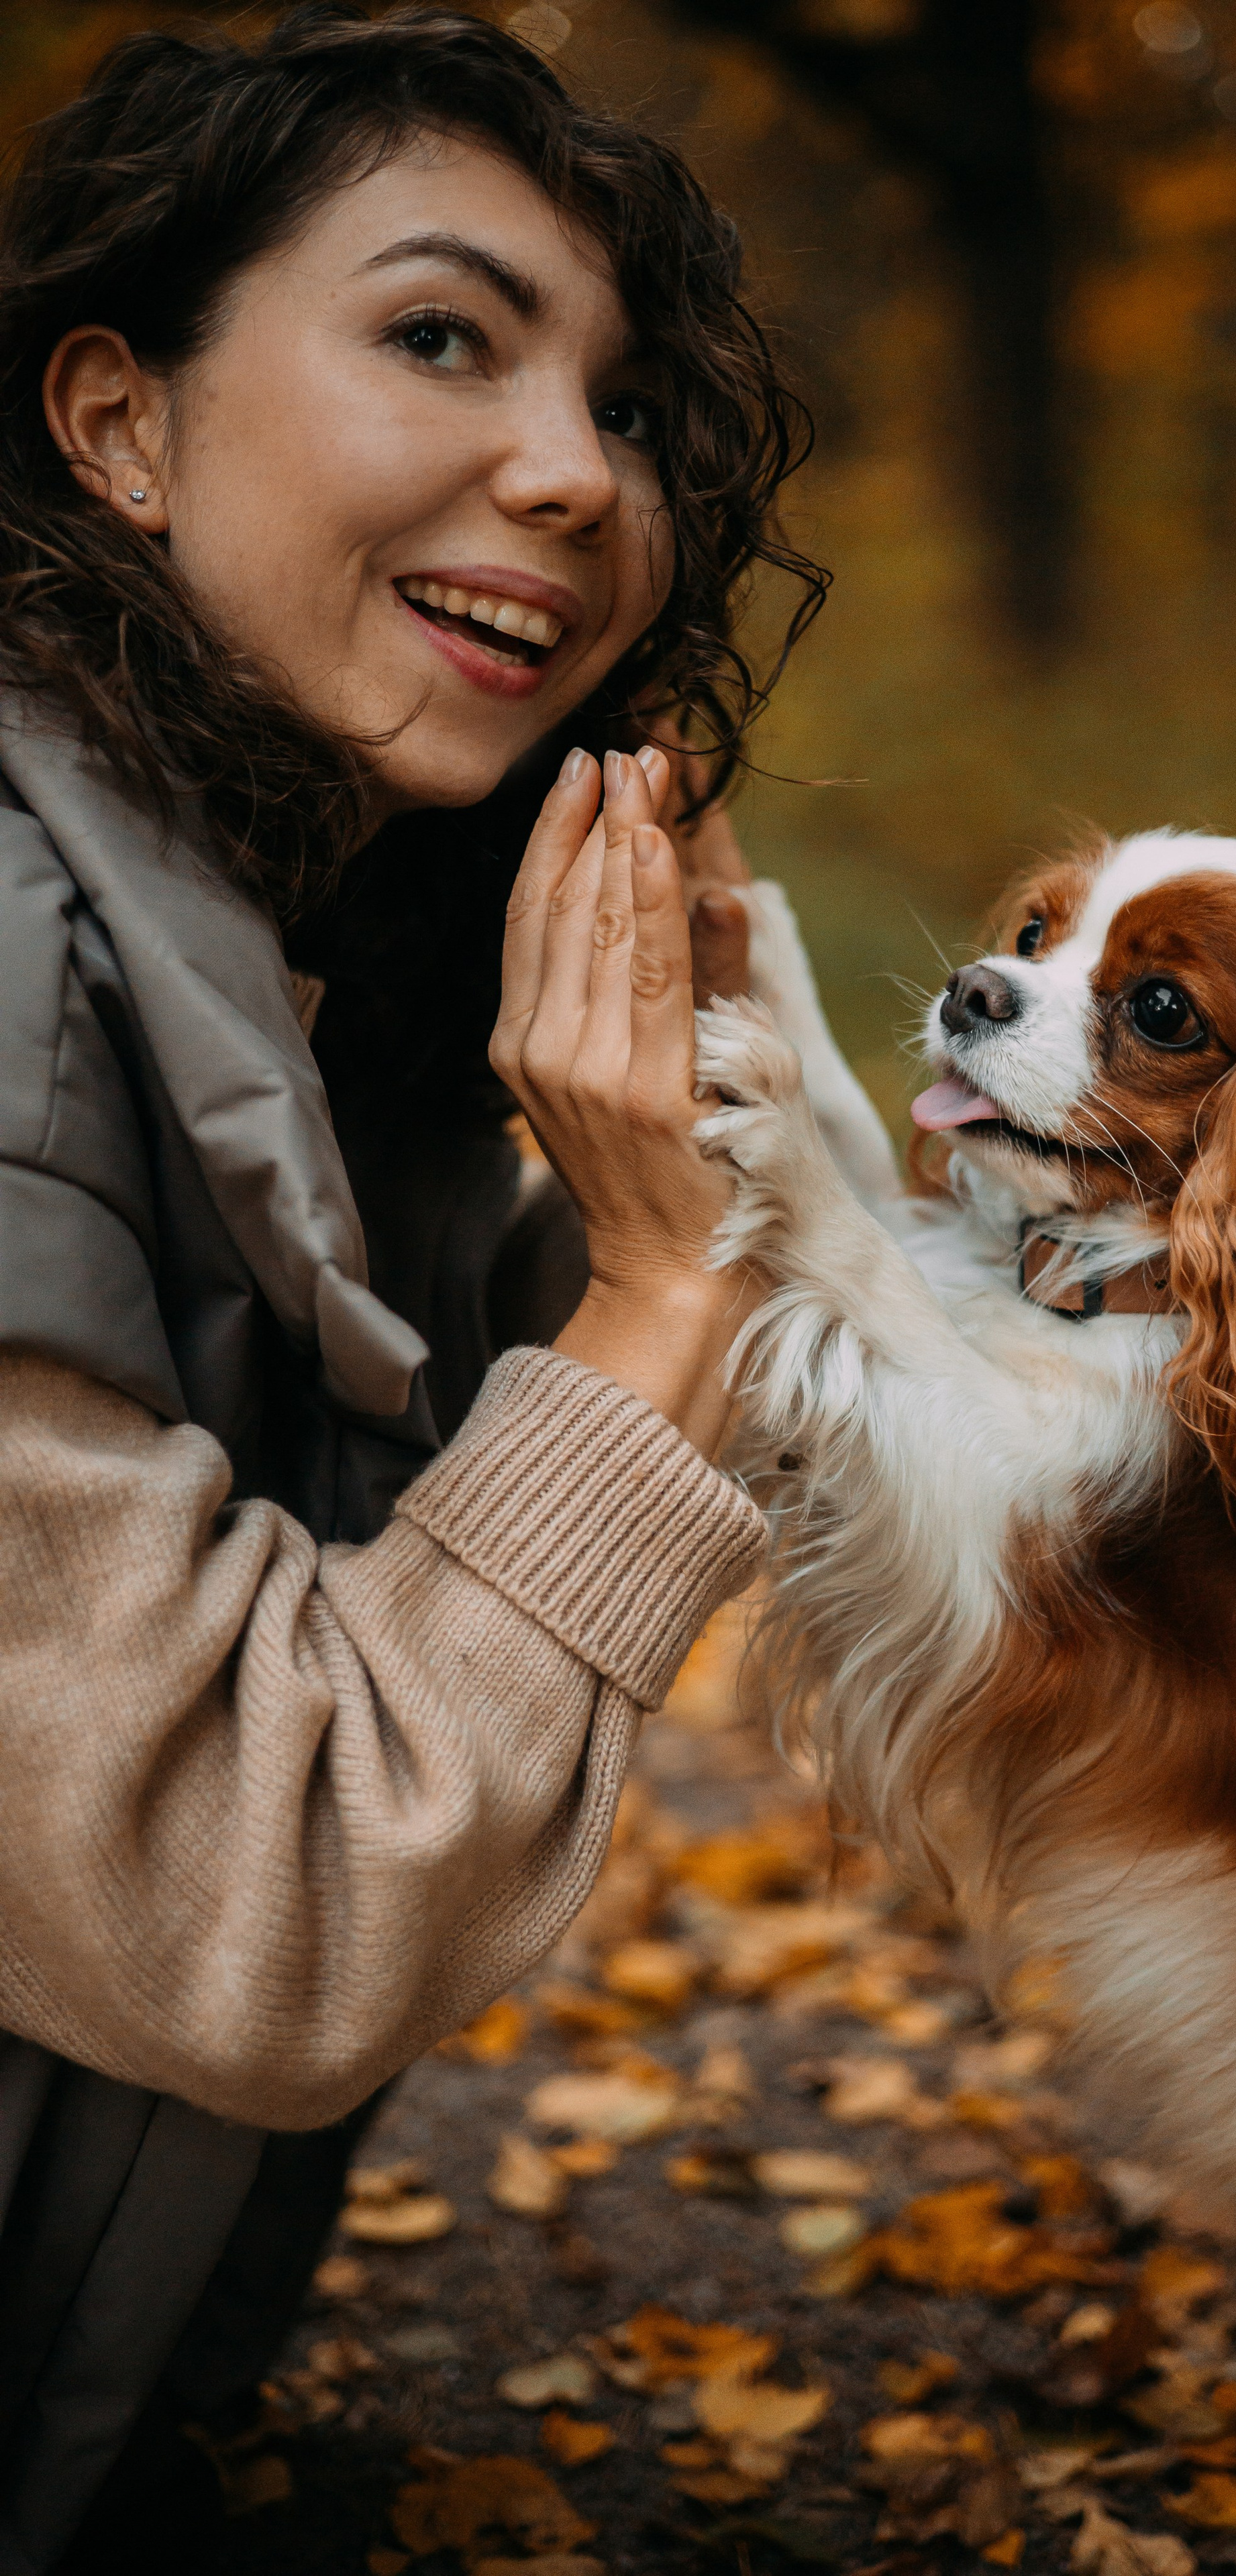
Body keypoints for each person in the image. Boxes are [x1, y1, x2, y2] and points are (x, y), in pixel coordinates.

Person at [0, 6, 827, 2561]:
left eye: (629, 404)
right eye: (442, 337)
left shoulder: (307, 963)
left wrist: (744, 1155)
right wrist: (660, 1305)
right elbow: (256, 1903)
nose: (581, 476)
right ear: (119, 422)